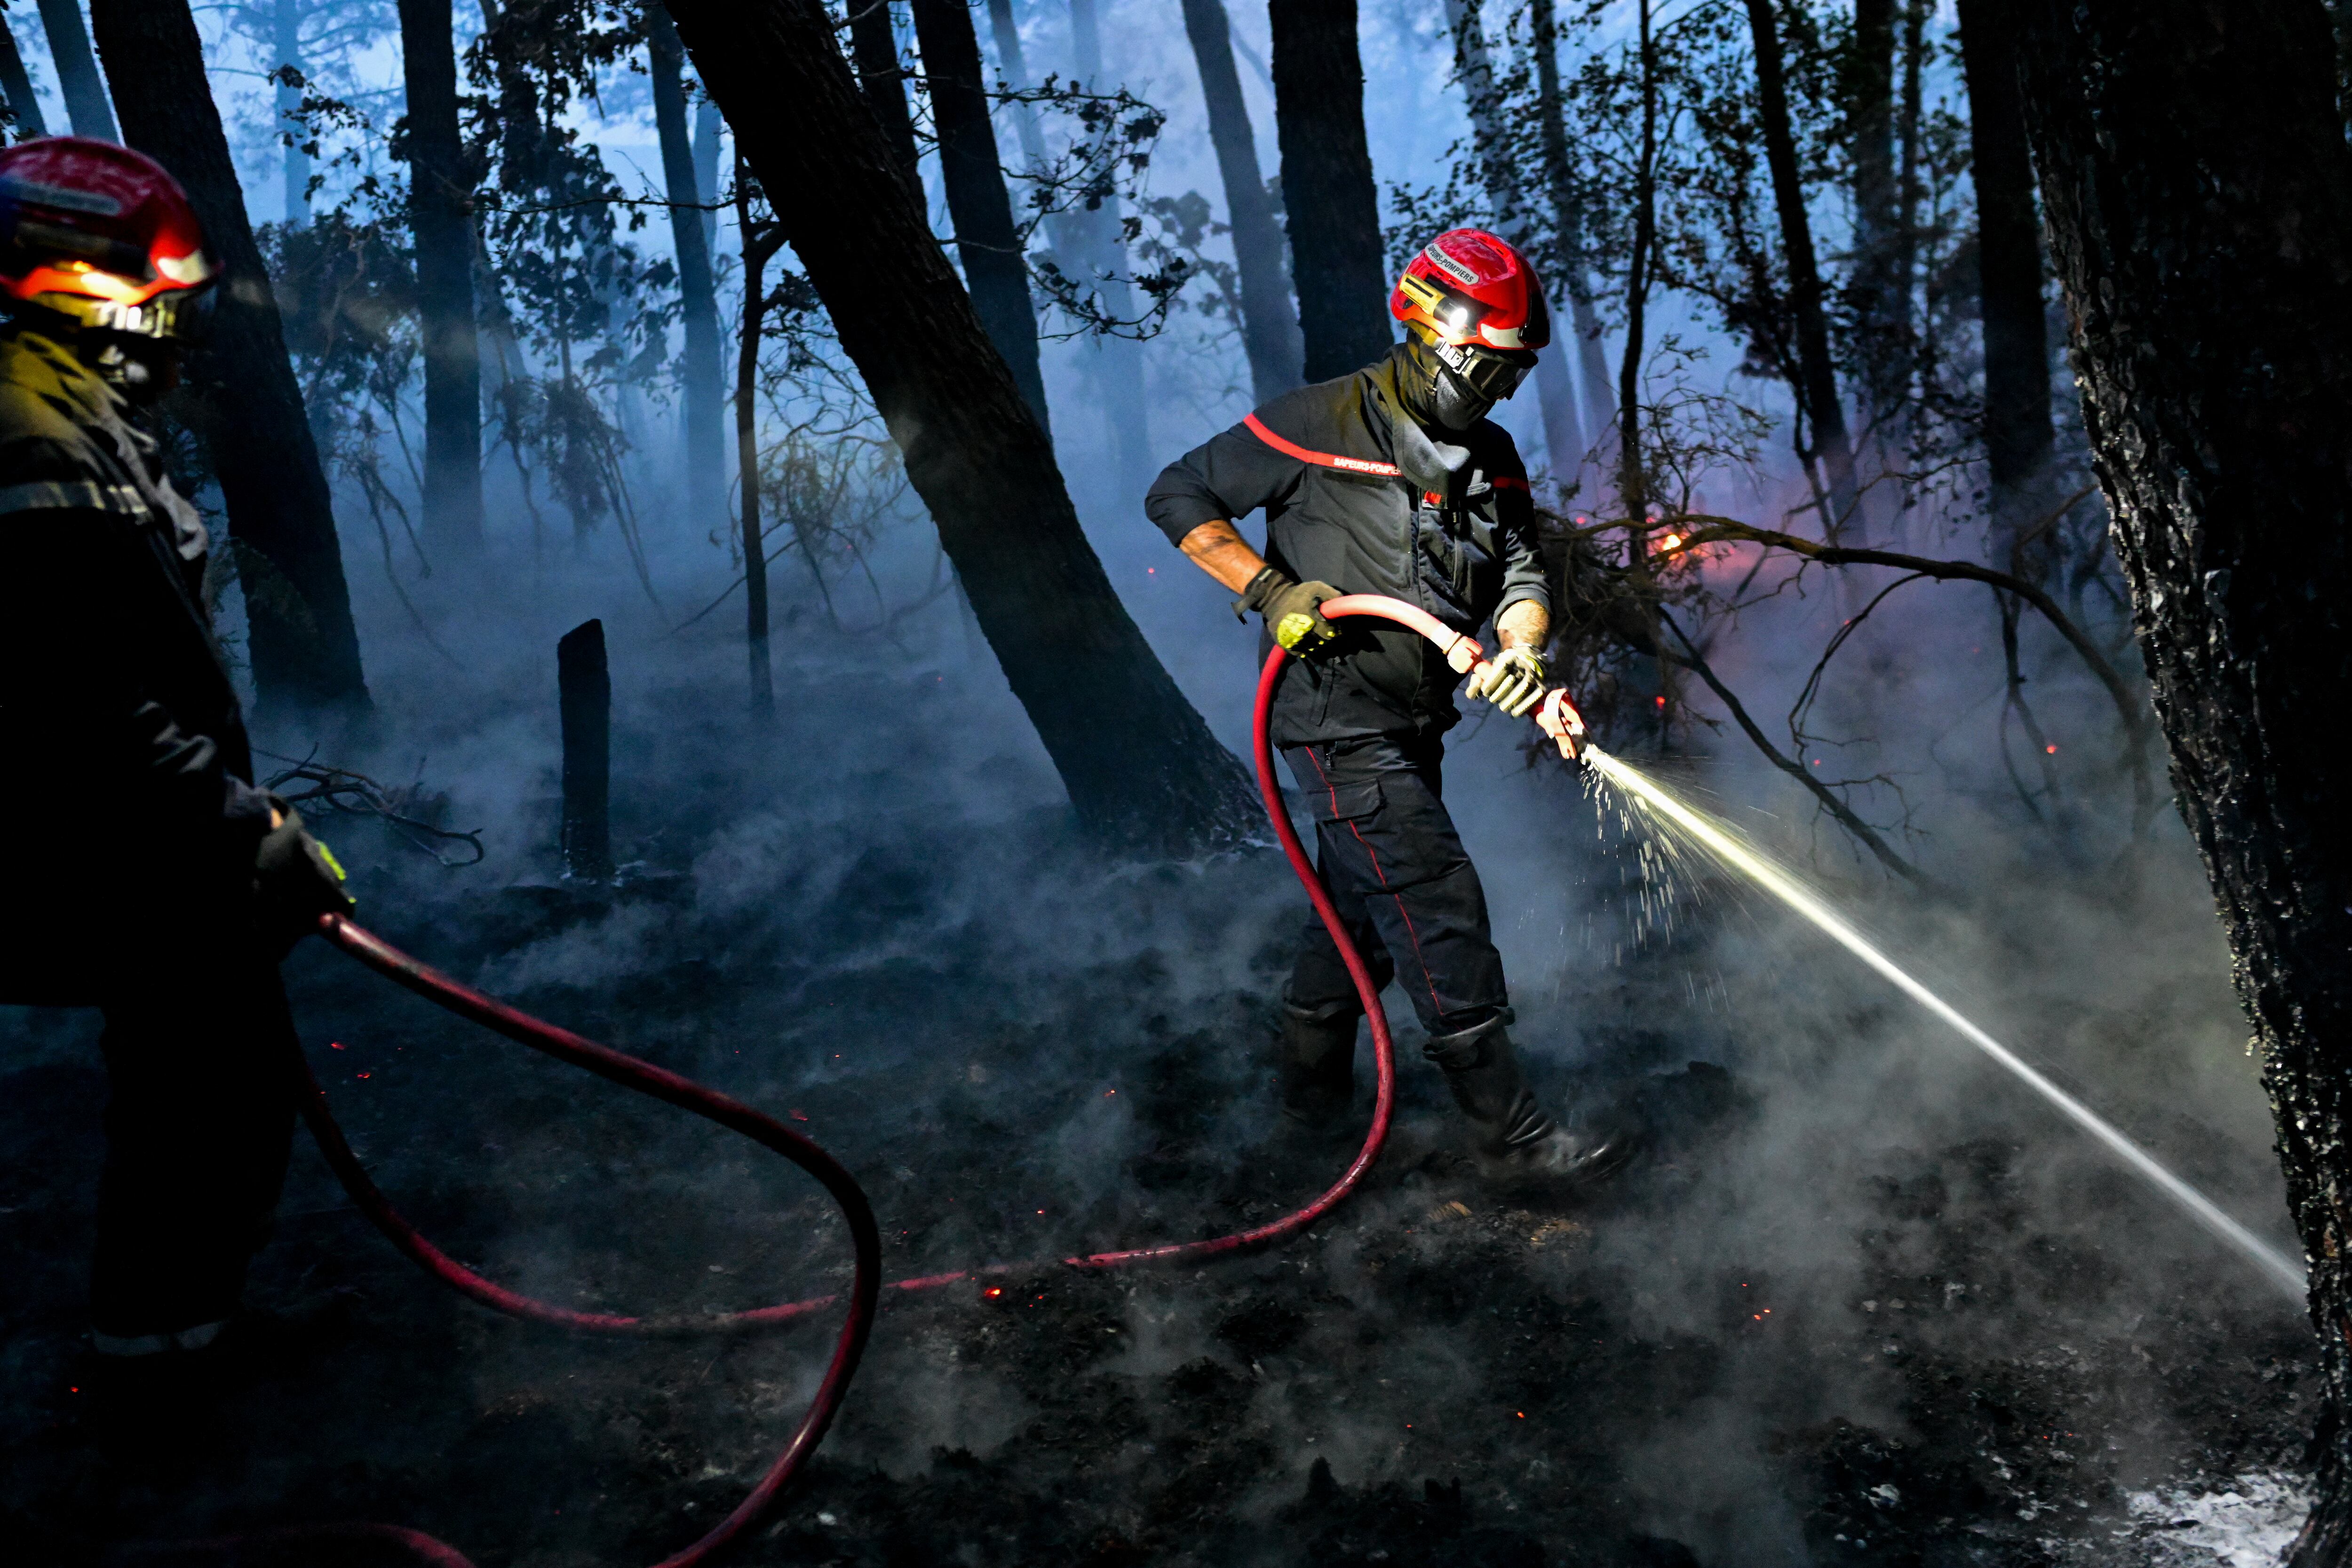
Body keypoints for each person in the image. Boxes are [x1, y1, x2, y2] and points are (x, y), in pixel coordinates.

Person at [1145, 228, 1629, 1185]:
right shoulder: (1317, 422)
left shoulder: (1492, 458)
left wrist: (1523, 650)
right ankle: (1513, 1140)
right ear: (1434, 334)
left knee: (1355, 923)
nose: (1500, 393)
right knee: (1435, 898)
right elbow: (1179, 493)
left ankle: (1307, 1114)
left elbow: (1522, 575)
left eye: (1514, 375)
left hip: (1414, 728)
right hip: (1336, 722)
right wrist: (1269, 591)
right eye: (1489, 368)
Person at [0, 137, 352, 1365]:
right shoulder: (34, 436)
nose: (176, 324)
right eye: (157, 296)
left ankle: (177, 1323)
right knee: (203, 1068)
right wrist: (245, 829)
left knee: (204, 1057)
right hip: (89, 836)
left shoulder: (67, 409)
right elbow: (81, 702)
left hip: (126, 827)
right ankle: (161, 1351)